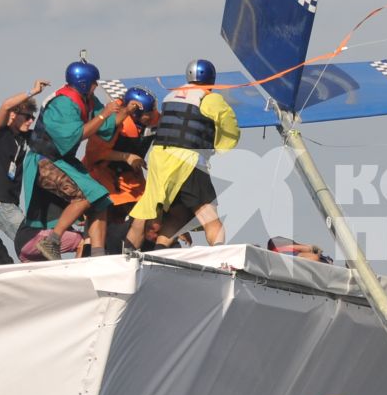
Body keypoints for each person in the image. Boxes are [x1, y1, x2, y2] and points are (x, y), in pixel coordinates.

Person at [20, 61, 137, 260]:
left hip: (64, 159)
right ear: (83, 83)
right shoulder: (63, 103)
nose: (96, 86)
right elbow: (76, 136)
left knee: (101, 199)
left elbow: (106, 125)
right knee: (84, 197)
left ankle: (99, 256)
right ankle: (52, 241)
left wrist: (127, 111)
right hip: (44, 160)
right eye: (93, 83)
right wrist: (104, 115)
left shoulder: (87, 99)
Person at [126, 58, 240, 250]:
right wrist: (222, 147)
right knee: (208, 214)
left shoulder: (170, 96)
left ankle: (142, 254)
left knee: (161, 212)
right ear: (211, 78)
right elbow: (229, 126)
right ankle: (220, 255)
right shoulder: (209, 98)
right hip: (187, 161)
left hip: (159, 159)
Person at [84, 86, 158, 240]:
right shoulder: (114, 121)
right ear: (136, 111)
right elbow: (95, 154)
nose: (151, 116)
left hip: (131, 177)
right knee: (102, 218)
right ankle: (89, 251)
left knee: (149, 212)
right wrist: (127, 157)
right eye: (148, 113)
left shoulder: (152, 119)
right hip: (102, 173)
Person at [0, 78, 48, 244]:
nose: (30, 121)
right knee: (34, 244)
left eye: (32, 118)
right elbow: (6, 105)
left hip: (12, 204)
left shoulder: (24, 137)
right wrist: (33, 92)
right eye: (27, 117)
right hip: (0, 203)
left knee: (34, 244)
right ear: (13, 115)